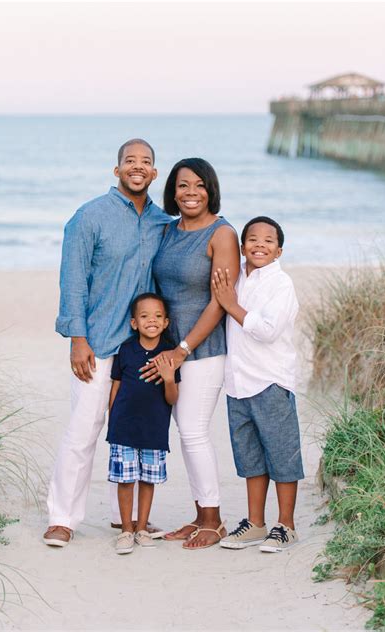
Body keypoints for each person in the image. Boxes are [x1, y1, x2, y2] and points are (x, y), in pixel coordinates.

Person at [43, 139, 171, 547]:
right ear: (117, 171)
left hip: (141, 348)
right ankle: (62, 518)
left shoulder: (162, 223)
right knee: (83, 431)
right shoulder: (89, 217)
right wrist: (77, 338)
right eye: (130, 161)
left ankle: (128, 520)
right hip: (97, 343)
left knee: (134, 433)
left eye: (146, 162)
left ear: (154, 173)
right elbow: (73, 280)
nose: (138, 167)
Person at [147, 157, 240, 549]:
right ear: (173, 191)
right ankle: (201, 514)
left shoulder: (222, 234)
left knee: (194, 431)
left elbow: (220, 302)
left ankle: (214, 519)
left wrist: (185, 348)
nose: (190, 193)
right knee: (186, 434)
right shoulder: (168, 231)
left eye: (199, 185)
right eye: (183, 185)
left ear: (210, 189)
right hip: (170, 351)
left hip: (203, 350)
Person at [212, 216, 304, 552]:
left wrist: (231, 306)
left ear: (279, 251)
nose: (259, 245)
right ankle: (255, 523)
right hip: (237, 382)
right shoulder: (236, 276)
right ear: (242, 246)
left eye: (268, 240)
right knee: (250, 457)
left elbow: (267, 330)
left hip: (270, 380)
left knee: (281, 456)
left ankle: (286, 525)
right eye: (252, 239)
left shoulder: (281, 284)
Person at [106, 293, 180, 554]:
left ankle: (141, 528)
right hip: (123, 427)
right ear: (134, 323)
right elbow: (116, 385)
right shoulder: (126, 350)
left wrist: (169, 378)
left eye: (158, 316)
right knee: (125, 480)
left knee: (147, 480)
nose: (152, 321)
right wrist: (111, 418)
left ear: (166, 322)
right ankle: (126, 529)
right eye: (145, 316)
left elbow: (172, 399)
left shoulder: (169, 354)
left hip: (154, 429)